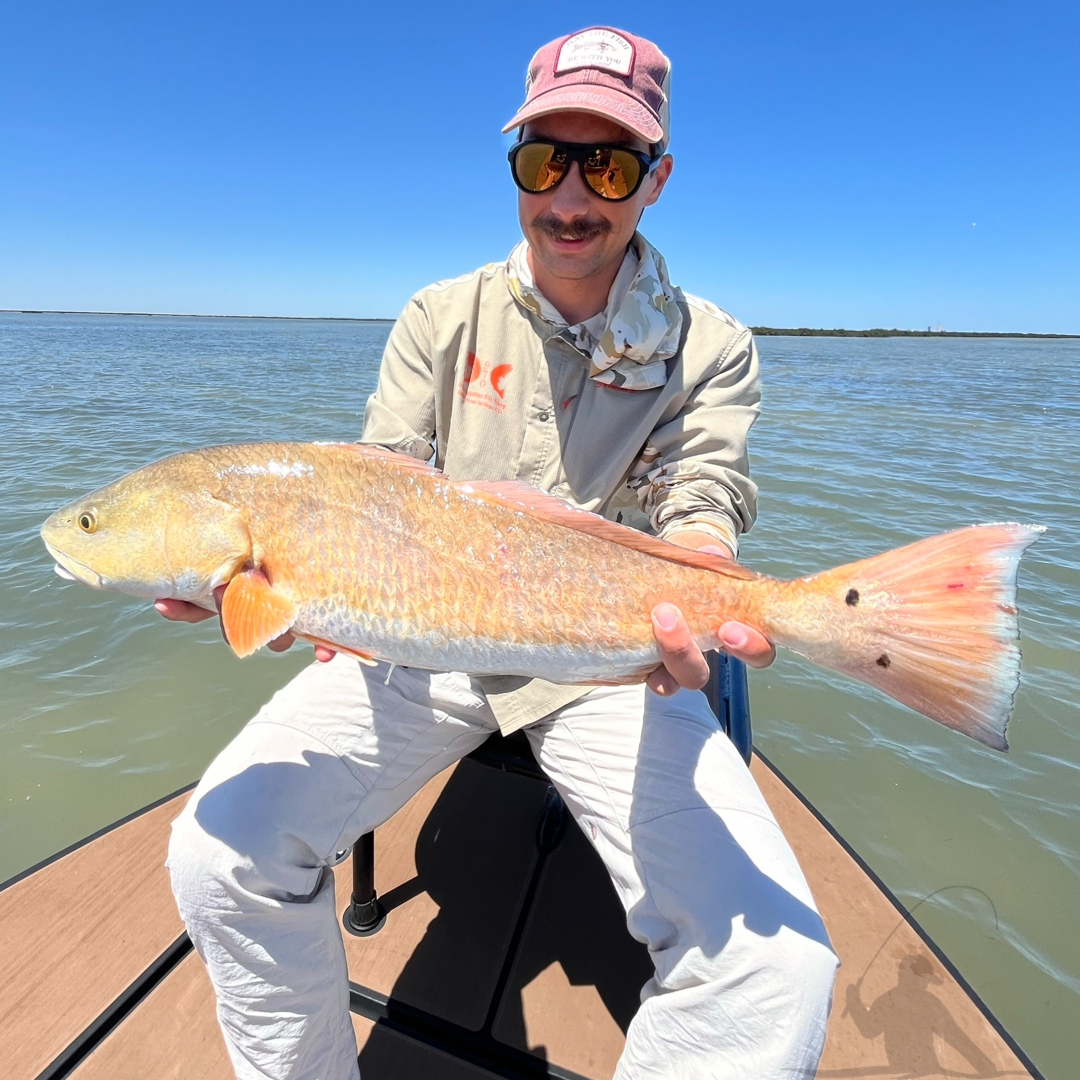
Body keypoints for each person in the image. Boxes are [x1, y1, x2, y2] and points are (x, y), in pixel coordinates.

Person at [162, 26, 838, 1080]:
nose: (571, 197)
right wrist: (270, 584)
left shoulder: (713, 345)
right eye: (543, 160)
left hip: (613, 663)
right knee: (215, 855)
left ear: (656, 180)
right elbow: (373, 481)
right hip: (415, 643)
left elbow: (703, 494)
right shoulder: (439, 316)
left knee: (780, 974)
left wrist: (700, 581)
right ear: (515, 167)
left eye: (608, 163)